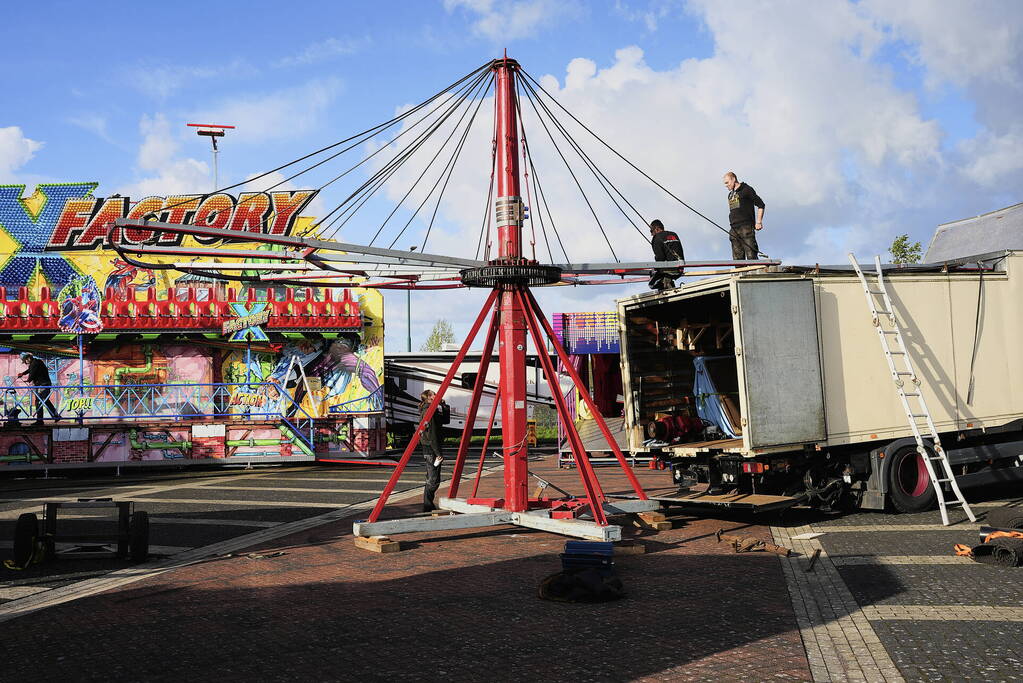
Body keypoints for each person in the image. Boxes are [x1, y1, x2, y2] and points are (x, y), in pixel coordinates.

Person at [417, 389, 450, 512]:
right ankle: (427, 505)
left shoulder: (433, 410)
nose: (437, 395)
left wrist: (444, 406)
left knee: (433, 478)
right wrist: (438, 453)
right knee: (433, 480)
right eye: (434, 394)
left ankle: (428, 504)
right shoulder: (428, 412)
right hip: (431, 449)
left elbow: (446, 421)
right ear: (429, 398)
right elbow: (432, 435)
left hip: (430, 448)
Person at [723, 172, 765, 260]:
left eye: (727, 182)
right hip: (734, 229)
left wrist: (759, 222)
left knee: (751, 256)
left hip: (746, 227)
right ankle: (740, 272)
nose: (726, 185)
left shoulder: (746, 189)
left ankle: (753, 272)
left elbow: (761, 205)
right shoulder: (730, 195)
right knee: (737, 258)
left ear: (733, 179)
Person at [17, 352, 61, 425]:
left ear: (28, 358)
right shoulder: (35, 362)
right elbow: (30, 370)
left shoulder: (35, 363)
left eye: (25, 361)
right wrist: (23, 373)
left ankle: (40, 420)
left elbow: (32, 372)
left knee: (39, 401)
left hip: (42, 384)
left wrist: (29, 379)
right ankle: (55, 416)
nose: (25, 363)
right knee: (45, 401)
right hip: (43, 384)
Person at [648, 219, 686, 291]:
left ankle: (666, 282)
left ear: (657, 229)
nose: (651, 234)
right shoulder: (674, 234)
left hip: (669, 269)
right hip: (680, 269)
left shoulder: (656, 238)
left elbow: (660, 258)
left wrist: (655, 268)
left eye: (651, 231)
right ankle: (668, 281)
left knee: (651, 284)